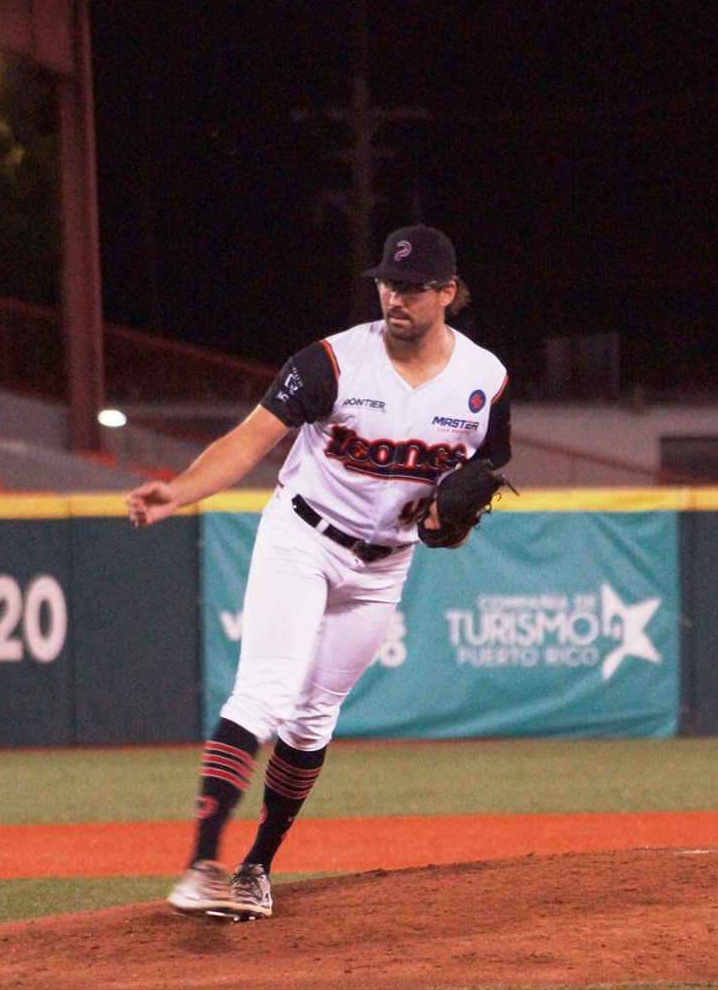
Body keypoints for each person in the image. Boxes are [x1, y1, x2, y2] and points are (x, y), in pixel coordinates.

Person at [126, 224, 512, 920]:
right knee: (264, 693)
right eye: (388, 283)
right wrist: (178, 492)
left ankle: (255, 867)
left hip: (383, 567)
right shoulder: (332, 362)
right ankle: (201, 866)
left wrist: (447, 515)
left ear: (447, 292)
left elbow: (487, 465)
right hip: (302, 539)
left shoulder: (486, 379)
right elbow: (249, 440)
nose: (396, 297)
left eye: (413, 286)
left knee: (312, 720)